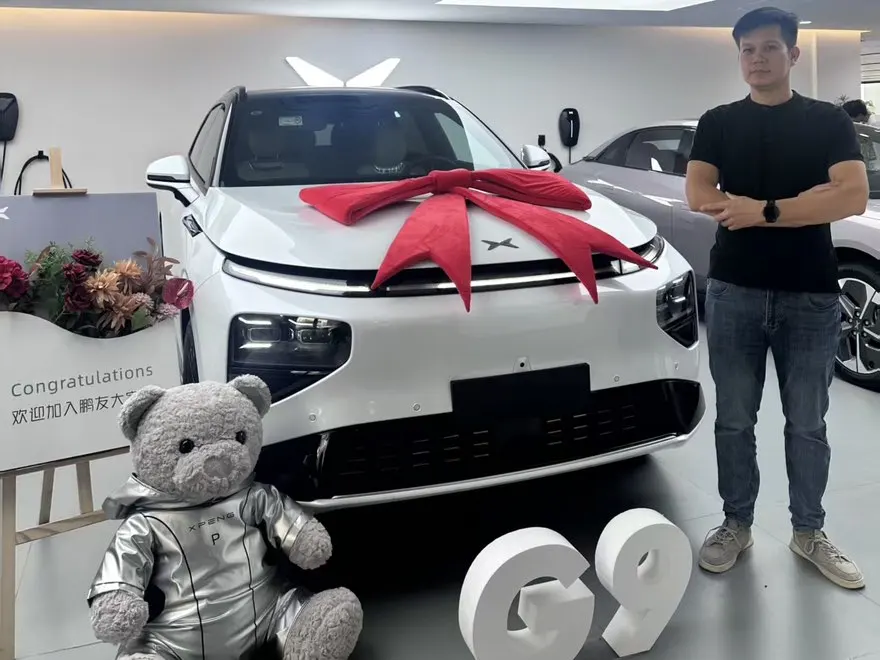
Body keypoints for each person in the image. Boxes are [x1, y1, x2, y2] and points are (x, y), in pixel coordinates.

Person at [685, 6, 870, 589]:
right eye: (748, 50)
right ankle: (735, 523)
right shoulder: (718, 122)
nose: (758, 59)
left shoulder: (827, 121)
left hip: (810, 294)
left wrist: (762, 210)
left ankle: (808, 531)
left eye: (769, 48)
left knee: (808, 423)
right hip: (733, 291)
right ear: (739, 57)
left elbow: (853, 196)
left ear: (793, 54)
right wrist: (810, 202)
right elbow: (698, 193)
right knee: (734, 419)